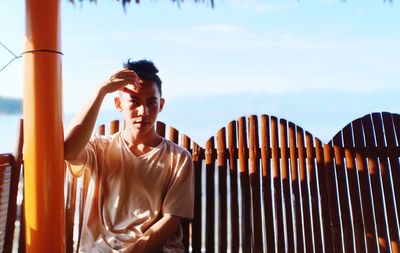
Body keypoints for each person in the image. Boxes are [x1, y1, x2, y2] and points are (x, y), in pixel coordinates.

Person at [64, 59, 194, 253]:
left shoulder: (179, 158)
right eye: (134, 102)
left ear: (162, 105)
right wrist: (101, 90)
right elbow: (69, 151)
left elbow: (171, 220)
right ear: (118, 104)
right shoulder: (100, 148)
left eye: (152, 103)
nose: (144, 112)